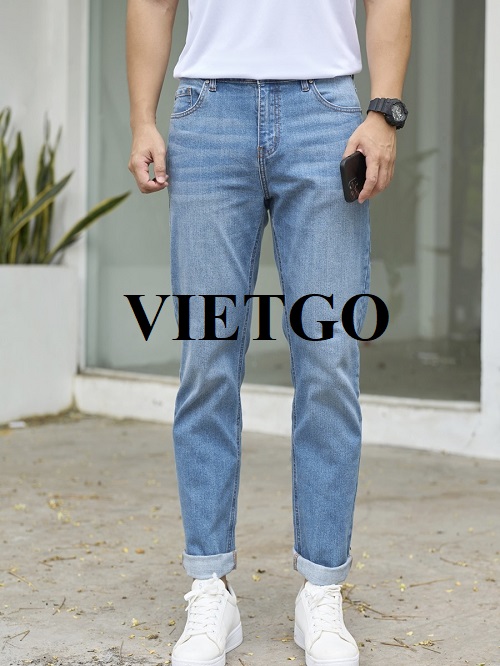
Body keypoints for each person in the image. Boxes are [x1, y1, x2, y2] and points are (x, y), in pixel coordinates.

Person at [126, 1, 411, 664]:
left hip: (326, 114)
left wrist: (384, 109)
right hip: (208, 112)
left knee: (329, 362)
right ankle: (209, 588)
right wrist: (143, 117)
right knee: (206, 358)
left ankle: (322, 589)